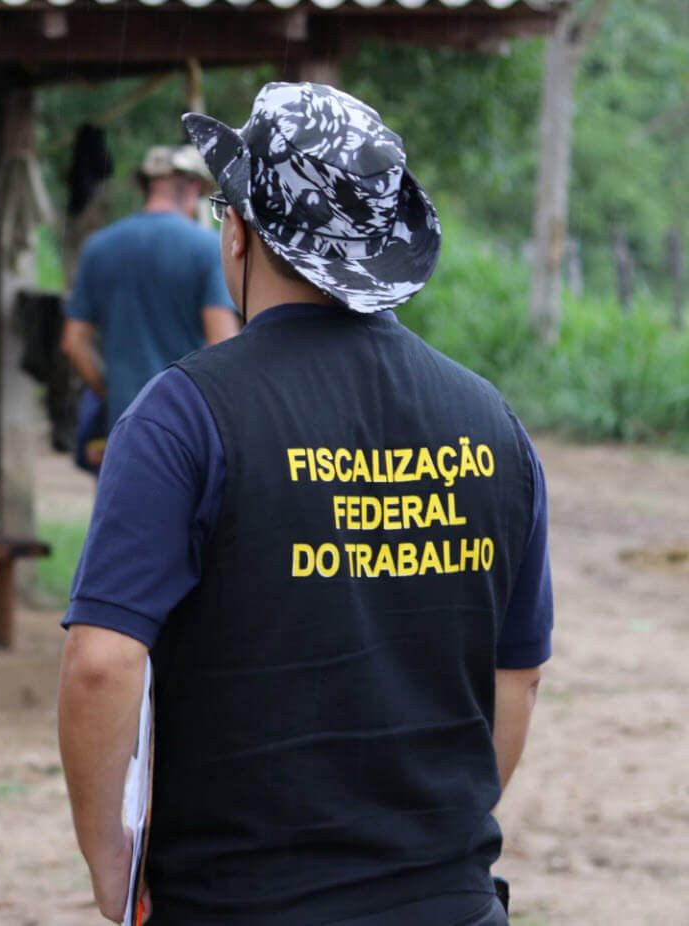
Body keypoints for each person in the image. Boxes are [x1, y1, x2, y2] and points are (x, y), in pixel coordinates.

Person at [58, 83, 552, 925]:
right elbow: (519, 674)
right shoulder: (492, 423)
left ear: (240, 231)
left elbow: (103, 662)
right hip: (449, 899)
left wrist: (112, 859)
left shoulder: (185, 413)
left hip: (240, 900)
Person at [60, 145, 240, 429]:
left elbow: (73, 343)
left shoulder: (99, 247)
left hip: (123, 423)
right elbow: (223, 345)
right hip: (184, 425)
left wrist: (110, 393)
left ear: (145, 186)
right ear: (193, 187)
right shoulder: (207, 249)